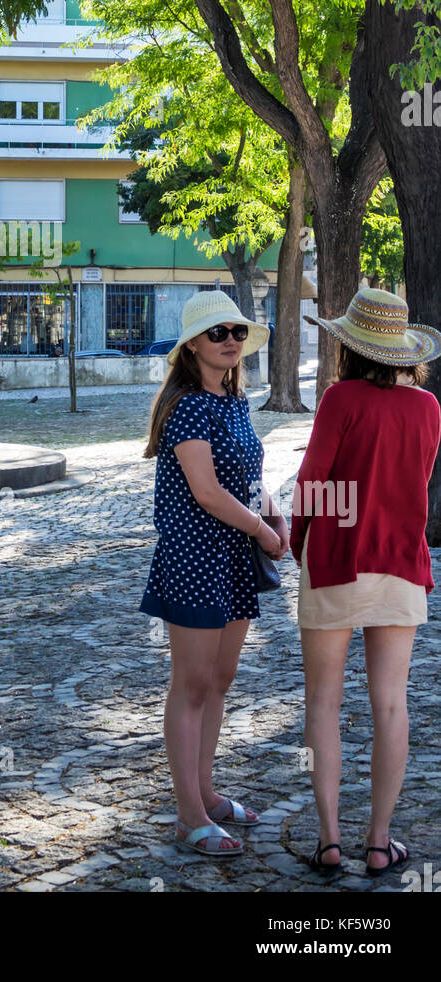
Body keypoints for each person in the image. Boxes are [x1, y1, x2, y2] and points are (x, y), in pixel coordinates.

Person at [291, 288, 441, 877]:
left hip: (335, 559)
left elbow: (313, 478)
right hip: (399, 563)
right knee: (392, 704)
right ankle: (379, 842)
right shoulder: (429, 408)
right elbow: (414, 484)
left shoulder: (339, 398)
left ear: (350, 346)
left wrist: (298, 540)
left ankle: (329, 840)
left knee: (323, 704)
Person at [138, 289, 289, 857]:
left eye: (237, 332)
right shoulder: (188, 408)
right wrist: (260, 529)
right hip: (195, 558)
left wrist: (276, 515)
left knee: (219, 683)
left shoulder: (233, 402)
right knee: (193, 684)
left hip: (231, 562)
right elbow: (206, 492)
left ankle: (205, 792)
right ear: (193, 347)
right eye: (218, 333)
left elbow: (249, 476)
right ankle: (188, 815)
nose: (231, 341)